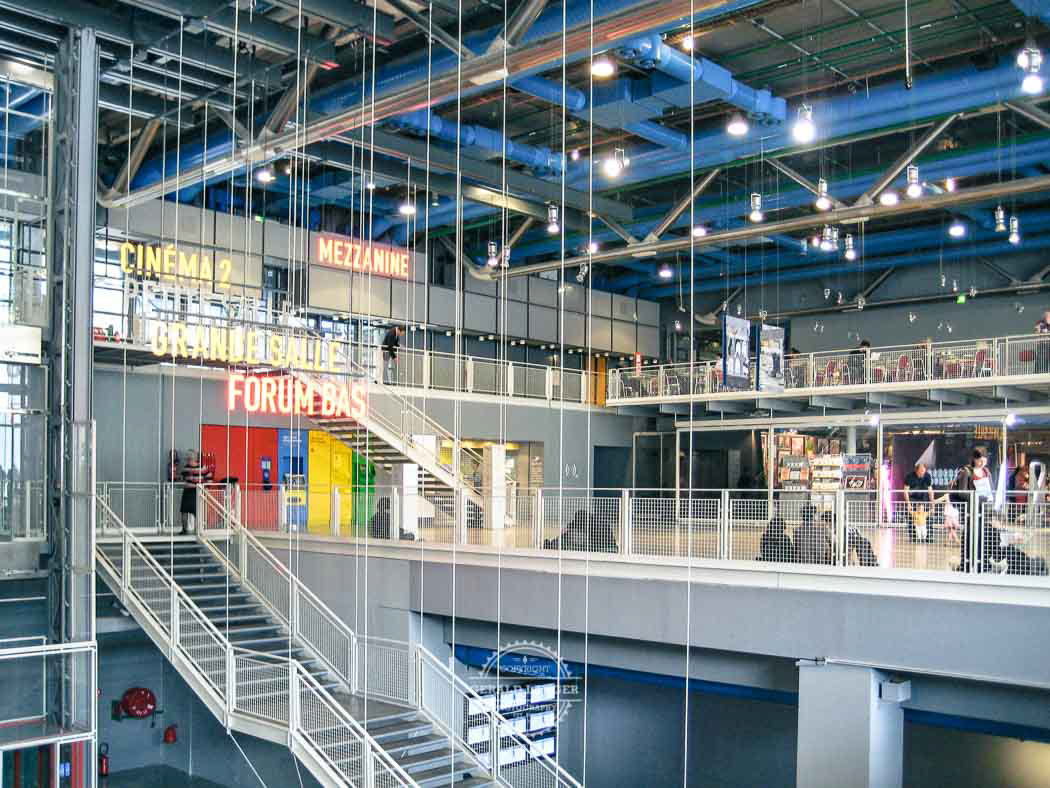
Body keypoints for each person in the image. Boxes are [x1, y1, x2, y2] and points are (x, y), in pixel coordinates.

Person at [179, 450, 213, 535]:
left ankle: (199, 530)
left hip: (196, 492)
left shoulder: (202, 468)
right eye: (187, 458)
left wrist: (204, 487)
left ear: (193, 458)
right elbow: (182, 478)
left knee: (196, 511)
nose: (187, 460)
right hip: (187, 491)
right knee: (184, 511)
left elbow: (209, 478)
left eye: (189, 458)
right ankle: (184, 529)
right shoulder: (186, 468)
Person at [903, 460, 935, 541]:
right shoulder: (909, 476)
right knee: (911, 517)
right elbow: (905, 491)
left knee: (928, 517)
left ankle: (929, 537)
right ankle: (913, 537)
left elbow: (930, 490)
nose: (922, 473)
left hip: (924, 498)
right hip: (913, 498)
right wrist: (908, 504)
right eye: (921, 471)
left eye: (924, 471)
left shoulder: (927, 476)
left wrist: (932, 504)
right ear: (916, 470)